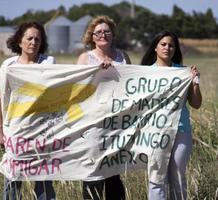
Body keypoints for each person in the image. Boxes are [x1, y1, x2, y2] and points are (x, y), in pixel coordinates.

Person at [0, 21, 56, 200]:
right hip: (16, 131)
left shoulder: (49, 63)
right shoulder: (8, 65)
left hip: (43, 132)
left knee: (44, 182)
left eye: (38, 39)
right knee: (13, 181)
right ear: (19, 41)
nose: (33, 42)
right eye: (29, 38)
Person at [141, 31, 202, 200]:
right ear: (155, 47)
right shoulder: (145, 73)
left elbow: (196, 104)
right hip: (155, 132)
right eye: (163, 44)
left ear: (175, 49)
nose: (167, 47)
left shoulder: (184, 72)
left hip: (181, 131)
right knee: (157, 176)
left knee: (177, 174)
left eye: (171, 45)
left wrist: (195, 82)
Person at [77, 15, 131, 200]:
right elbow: (77, 90)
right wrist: (97, 73)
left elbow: (133, 84)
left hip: (117, 125)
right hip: (93, 125)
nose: (103, 35)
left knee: (113, 174)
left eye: (107, 31)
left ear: (113, 35)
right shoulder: (85, 58)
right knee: (92, 173)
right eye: (98, 32)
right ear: (92, 37)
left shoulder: (123, 57)